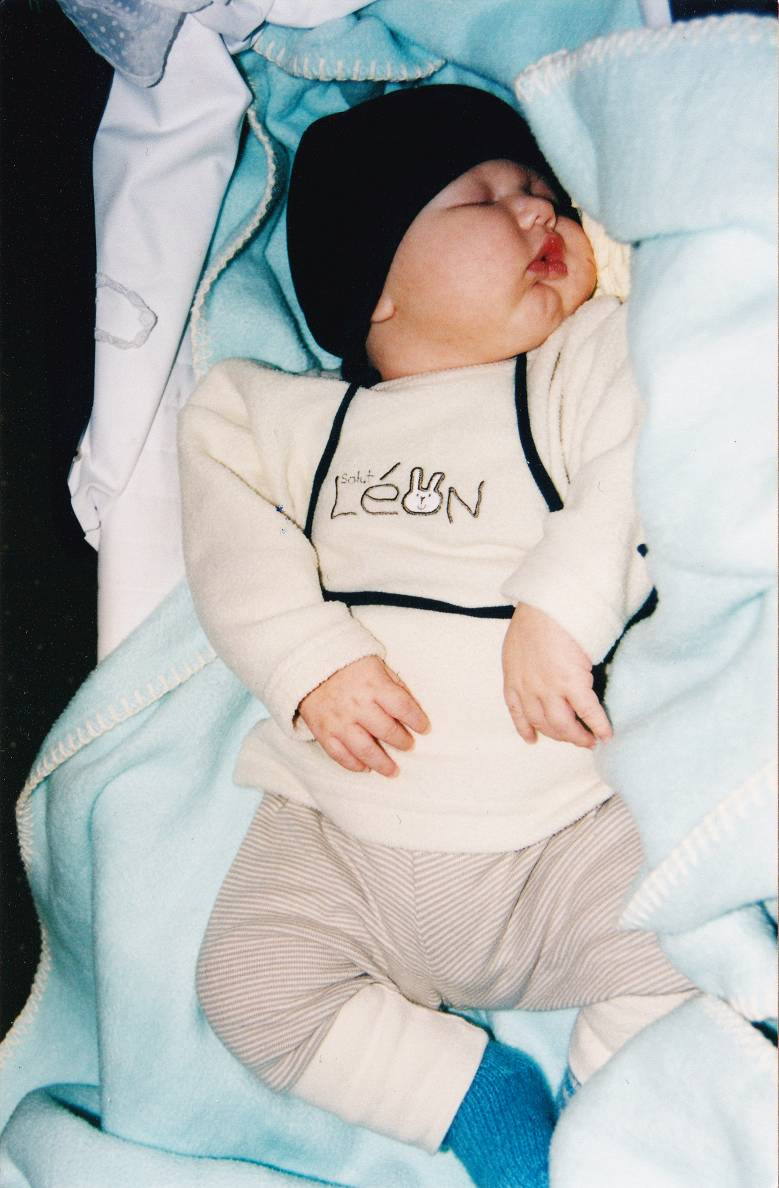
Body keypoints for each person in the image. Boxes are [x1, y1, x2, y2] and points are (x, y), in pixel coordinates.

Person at [179, 85, 692, 1188]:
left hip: (564, 834)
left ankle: (610, 1129)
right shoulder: (298, 418)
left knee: (690, 939)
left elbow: (638, 455)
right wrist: (304, 658)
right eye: (483, 198)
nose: (538, 212)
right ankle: (475, 1101)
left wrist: (560, 607)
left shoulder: (577, 361)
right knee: (248, 986)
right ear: (376, 287)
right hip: (340, 838)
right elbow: (216, 488)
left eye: (544, 194)